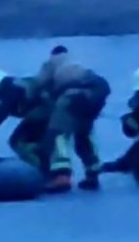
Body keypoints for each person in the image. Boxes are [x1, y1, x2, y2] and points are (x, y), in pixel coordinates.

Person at [35, 46, 111, 192]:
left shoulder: (52, 62)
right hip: (97, 93)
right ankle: (92, 173)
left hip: (73, 95)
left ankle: (61, 176)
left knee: (56, 134)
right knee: (83, 135)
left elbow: (39, 83)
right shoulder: (77, 63)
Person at [0, 67, 52, 171]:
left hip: (43, 113)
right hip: (50, 112)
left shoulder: (8, 91)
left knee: (17, 141)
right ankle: (48, 168)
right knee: (37, 141)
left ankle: (41, 171)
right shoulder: (16, 84)